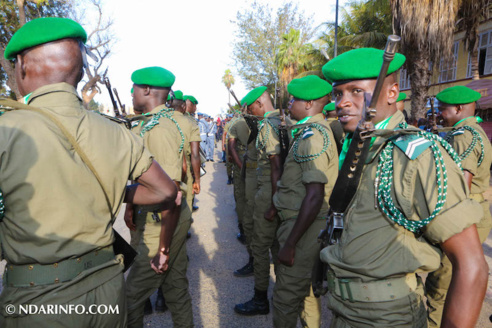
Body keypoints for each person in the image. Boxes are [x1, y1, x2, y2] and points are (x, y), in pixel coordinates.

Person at [0, 17, 177, 327]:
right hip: (108, 291)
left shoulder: (6, 129)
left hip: (40, 300)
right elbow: (166, 190)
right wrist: (115, 190)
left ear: (23, 68)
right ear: (80, 72)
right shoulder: (116, 131)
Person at [320, 47, 488, 327]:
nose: (342, 102)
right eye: (338, 93)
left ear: (391, 93)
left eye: (356, 91)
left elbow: (472, 266)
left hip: (386, 317)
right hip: (343, 310)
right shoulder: (361, 145)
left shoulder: (416, 155)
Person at [125, 66, 193, 328]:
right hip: (157, 217)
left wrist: (162, 250)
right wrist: (131, 206)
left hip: (160, 221)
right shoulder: (152, 122)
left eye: (134, 88)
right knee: (175, 290)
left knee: (130, 299)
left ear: (146, 90)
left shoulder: (159, 129)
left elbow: (171, 194)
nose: (131, 93)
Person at [270, 76, 337, 327]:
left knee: (286, 298)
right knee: (307, 295)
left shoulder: (312, 137)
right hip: (304, 222)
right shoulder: (307, 131)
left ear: (309, 103)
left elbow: (315, 195)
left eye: (295, 99)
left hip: (304, 226)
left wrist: (290, 243)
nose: (290, 102)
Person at [425, 85, 492, 327]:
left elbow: (461, 184)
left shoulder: (464, 136)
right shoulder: (474, 131)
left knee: (440, 287)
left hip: (463, 217)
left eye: (444, 109)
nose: (441, 114)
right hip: (474, 211)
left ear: (459, 108)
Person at [235, 86, 288, 316]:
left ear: (259, 103)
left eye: (251, 108)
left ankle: (260, 299)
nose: (251, 113)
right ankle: (282, 294)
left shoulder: (267, 126)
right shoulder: (284, 122)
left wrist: (274, 203)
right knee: (277, 245)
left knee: (259, 246)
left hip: (268, 191)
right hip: (279, 190)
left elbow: (275, 166)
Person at [228, 113, 258, 276]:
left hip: (244, 164)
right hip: (262, 169)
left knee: (242, 199)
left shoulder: (236, 124)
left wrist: (240, 167)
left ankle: (244, 232)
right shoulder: (273, 123)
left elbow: (231, 147)